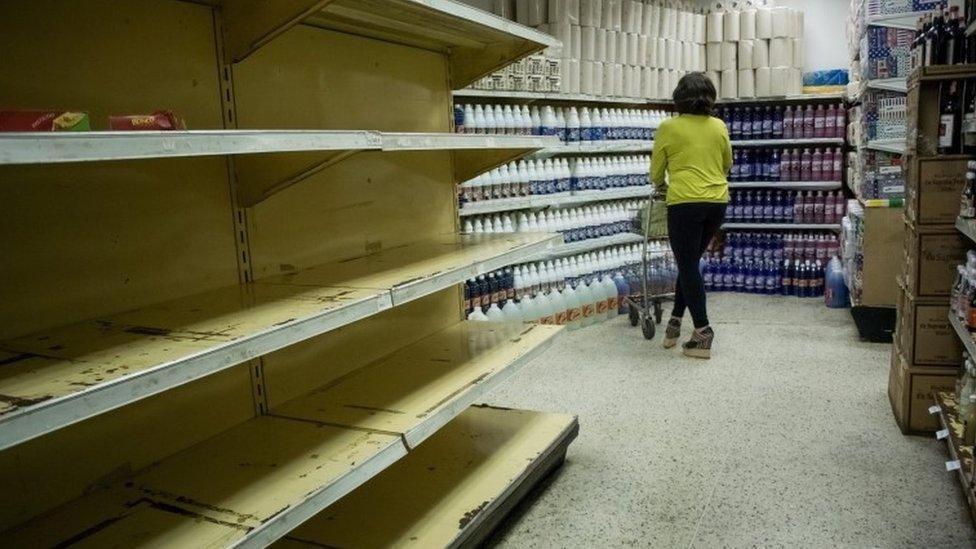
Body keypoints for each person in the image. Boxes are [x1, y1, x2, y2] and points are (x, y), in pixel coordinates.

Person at [650, 73, 731, 359]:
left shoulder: (668, 128)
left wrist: (663, 184)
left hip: (684, 202)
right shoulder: (719, 126)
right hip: (717, 203)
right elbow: (726, 164)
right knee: (690, 264)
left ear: (678, 97)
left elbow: (656, 174)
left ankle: (702, 332)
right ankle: (674, 323)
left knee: (687, 266)